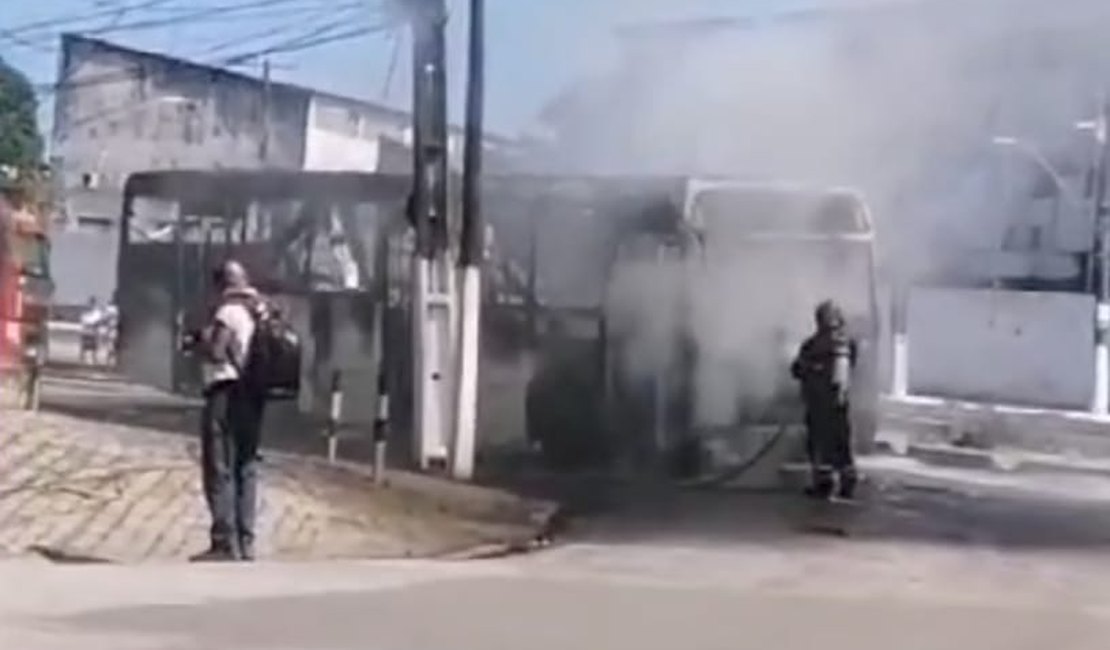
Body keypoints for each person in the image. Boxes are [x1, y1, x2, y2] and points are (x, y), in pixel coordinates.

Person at [193, 260, 268, 562]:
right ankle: (246, 541)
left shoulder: (229, 311)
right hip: (254, 395)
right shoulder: (260, 311)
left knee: (220, 466)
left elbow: (217, 351)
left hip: (226, 393)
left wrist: (201, 341)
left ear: (221, 284)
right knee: (246, 466)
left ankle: (223, 541)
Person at [790, 300, 859, 501]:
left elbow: (797, 369)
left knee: (820, 445)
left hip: (819, 405)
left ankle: (824, 484)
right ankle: (847, 484)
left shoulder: (812, 345)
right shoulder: (847, 344)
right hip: (838, 405)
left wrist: (811, 370)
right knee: (841, 444)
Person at [78, 297, 104, 365]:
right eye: (90, 302)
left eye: (92, 302)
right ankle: (82, 359)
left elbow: (98, 320)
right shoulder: (86, 311)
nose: (91, 304)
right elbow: (83, 320)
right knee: (84, 346)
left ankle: (94, 359)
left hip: (93, 331)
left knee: (94, 346)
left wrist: (92, 323)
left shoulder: (97, 312)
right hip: (86, 331)